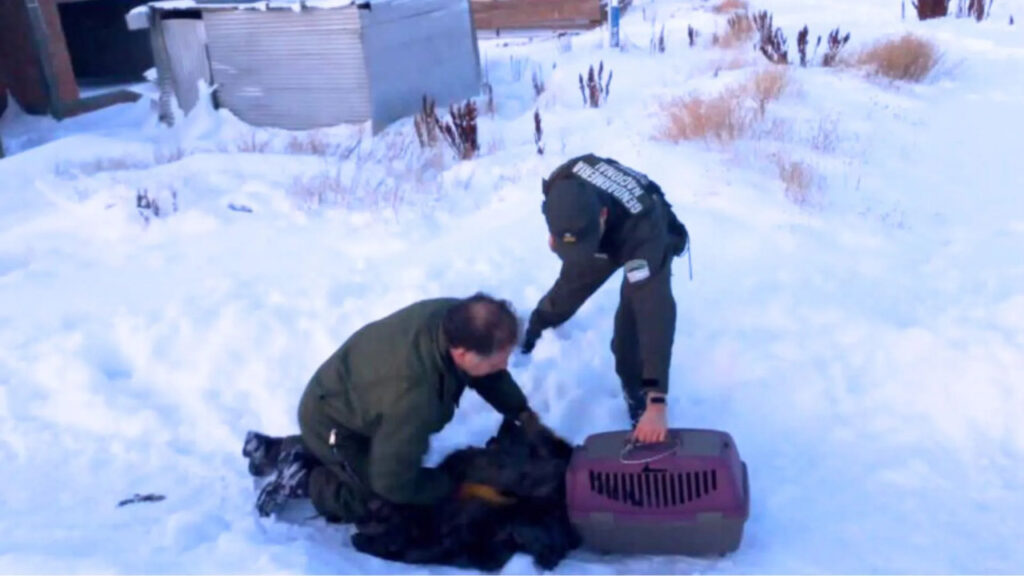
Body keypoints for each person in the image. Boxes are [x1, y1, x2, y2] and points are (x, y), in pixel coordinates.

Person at [251, 293, 545, 520]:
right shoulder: (417, 396)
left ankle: (283, 449)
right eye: (498, 359)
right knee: (378, 500)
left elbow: (487, 374)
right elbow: (393, 482)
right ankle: (307, 479)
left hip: (350, 396)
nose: (505, 365)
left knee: (384, 452)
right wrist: (453, 488)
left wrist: (520, 411)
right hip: (334, 422)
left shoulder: (458, 319)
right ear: (463, 353)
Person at [520, 153, 689, 444]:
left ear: (602, 217)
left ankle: (639, 403)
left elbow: (655, 316)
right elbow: (572, 279)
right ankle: (533, 329)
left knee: (629, 339)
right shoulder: (564, 182)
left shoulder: (643, 234)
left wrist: (656, 400)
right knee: (569, 288)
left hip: (641, 236)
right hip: (593, 230)